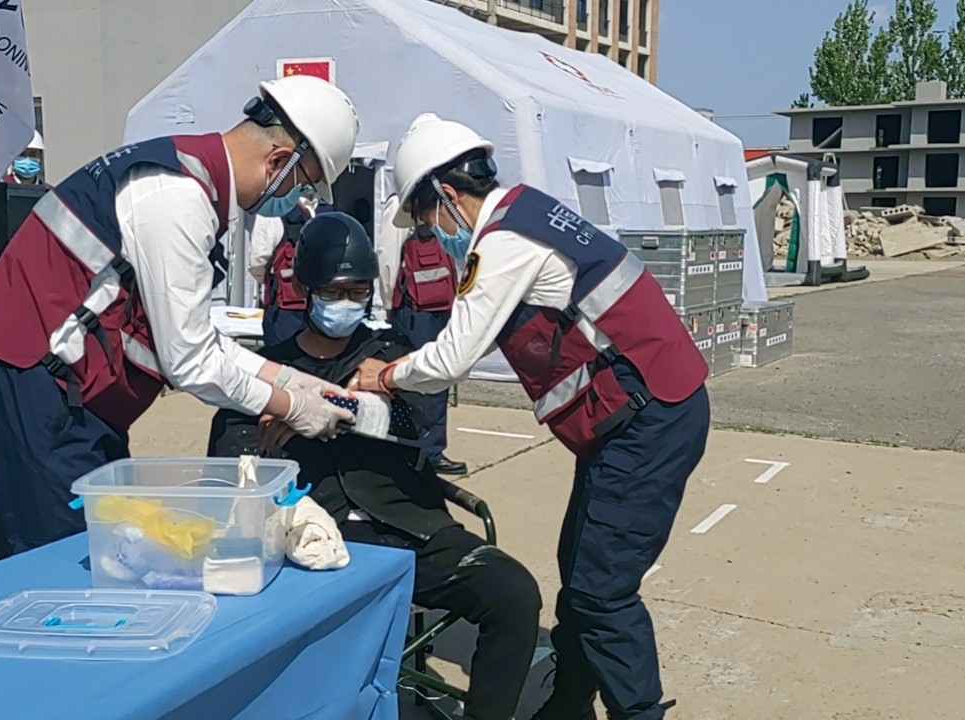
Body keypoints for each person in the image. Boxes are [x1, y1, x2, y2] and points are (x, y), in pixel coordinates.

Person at [350, 115, 709, 720]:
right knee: (582, 571)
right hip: (636, 415)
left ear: (443, 193)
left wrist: (384, 375)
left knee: (601, 592)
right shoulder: (529, 213)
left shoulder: (503, 241)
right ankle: (567, 706)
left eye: (426, 216)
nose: (433, 232)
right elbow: (501, 330)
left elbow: (453, 358)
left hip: (648, 420)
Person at [0, 75, 362, 553]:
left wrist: (296, 382)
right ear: (277, 161)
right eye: (302, 183)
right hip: (29, 387)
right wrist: (291, 406)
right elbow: (189, 362)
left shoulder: (187, 177)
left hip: (68, 395)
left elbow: (197, 340)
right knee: (62, 558)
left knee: (107, 549)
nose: (296, 198)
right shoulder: (176, 197)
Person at [208, 212, 541, 720]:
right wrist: (284, 409)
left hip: (411, 527)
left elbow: (413, 425)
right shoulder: (263, 372)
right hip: (315, 544)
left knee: (515, 593)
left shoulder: (387, 361)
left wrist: (314, 410)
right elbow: (230, 450)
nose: (346, 304)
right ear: (304, 288)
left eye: (357, 292)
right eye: (334, 291)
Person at [375, 193, 466, 475]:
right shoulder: (400, 206)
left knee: (440, 375)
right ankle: (411, 446)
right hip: (414, 310)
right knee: (412, 377)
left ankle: (433, 449)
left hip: (443, 304)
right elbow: (387, 257)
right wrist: (389, 303)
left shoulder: (442, 204)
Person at [257, 191, 334, 346]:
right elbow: (258, 261)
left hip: (323, 309)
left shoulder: (329, 212)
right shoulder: (273, 211)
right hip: (285, 312)